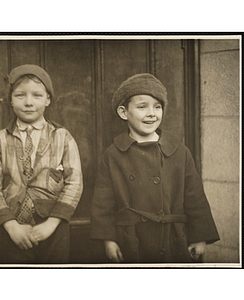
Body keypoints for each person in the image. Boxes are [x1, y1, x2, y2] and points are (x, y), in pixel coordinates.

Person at [90, 73, 219, 263]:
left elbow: (195, 198)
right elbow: (103, 204)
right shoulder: (113, 155)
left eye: (157, 107)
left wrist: (200, 236)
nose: (152, 113)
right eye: (142, 107)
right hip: (131, 238)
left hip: (174, 237)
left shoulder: (179, 151)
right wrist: (108, 239)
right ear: (123, 112)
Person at [0, 64, 83, 264]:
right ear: (10, 100)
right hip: (11, 227)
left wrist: (51, 224)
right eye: (20, 95)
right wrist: (11, 226)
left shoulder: (62, 137)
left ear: (48, 99)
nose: (29, 102)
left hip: (54, 226)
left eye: (37, 95)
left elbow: (75, 183)